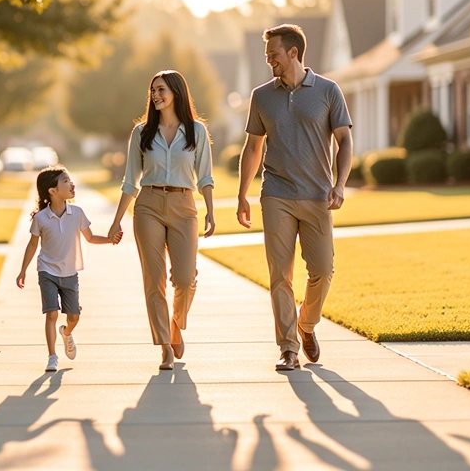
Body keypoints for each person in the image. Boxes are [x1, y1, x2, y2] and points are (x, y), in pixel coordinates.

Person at [236, 24, 353, 371]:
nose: (269, 60)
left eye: (273, 54)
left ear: (293, 53)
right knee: (280, 275)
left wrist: (340, 184)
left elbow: (344, 140)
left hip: (318, 194)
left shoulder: (328, 91)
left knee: (322, 270)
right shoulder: (262, 96)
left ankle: (306, 324)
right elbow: (253, 146)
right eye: (266, 55)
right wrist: (242, 193)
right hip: (277, 194)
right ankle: (288, 348)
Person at [108, 70, 215, 371]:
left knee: (184, 278)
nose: (155, 95)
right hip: (148, 206)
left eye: (161, 90)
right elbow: (130, 180)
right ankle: (165, 346)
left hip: (184, 205)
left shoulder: (196, 131)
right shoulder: (141, 133)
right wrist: (117, 221)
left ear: (176, 93)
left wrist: (210, 209)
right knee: (153, 281)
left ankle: (177, 323)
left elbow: (205, 175)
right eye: (153, 90)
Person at [17, 166, 118, 372]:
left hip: (70, 273)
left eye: (70, 180)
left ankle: (66, 332)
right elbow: (32, 245)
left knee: (74, 316)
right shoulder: (41, 218)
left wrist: (109, 239)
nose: (72, 184)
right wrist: (23, 270)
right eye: (65, 181)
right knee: (51, 313)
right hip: (47, 271)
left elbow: (90, 238)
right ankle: (52, 356)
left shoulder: (77, 213)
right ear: (52, 191)